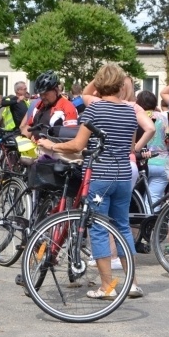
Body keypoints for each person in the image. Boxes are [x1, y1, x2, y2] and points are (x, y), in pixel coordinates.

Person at [36, 63, 144, 299]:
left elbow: (77, 145)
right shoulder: (129, 111)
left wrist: (51, 145)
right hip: (124, 175)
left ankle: (107, 286)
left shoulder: (95, 110)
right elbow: (130, 147)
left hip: (100, 177)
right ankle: (132, 283)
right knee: (122, 227)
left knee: (97, 229)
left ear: (99, 83)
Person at [134, 90, 169, 209]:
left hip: (142, 161)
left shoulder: (137, 117)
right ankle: (152, 225)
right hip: (162, 163)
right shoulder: (164, 118)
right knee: (154, 199)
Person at [21, 71, 78, 138]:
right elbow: (29, 126)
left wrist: (47, 142)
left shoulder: (67, 107)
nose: (43, 97)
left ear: (56, 90)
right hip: (35, 146)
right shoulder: (39, 105)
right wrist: (23, 138)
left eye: (46, 94)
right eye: (41, 94)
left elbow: (70, 136)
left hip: (52, 147)